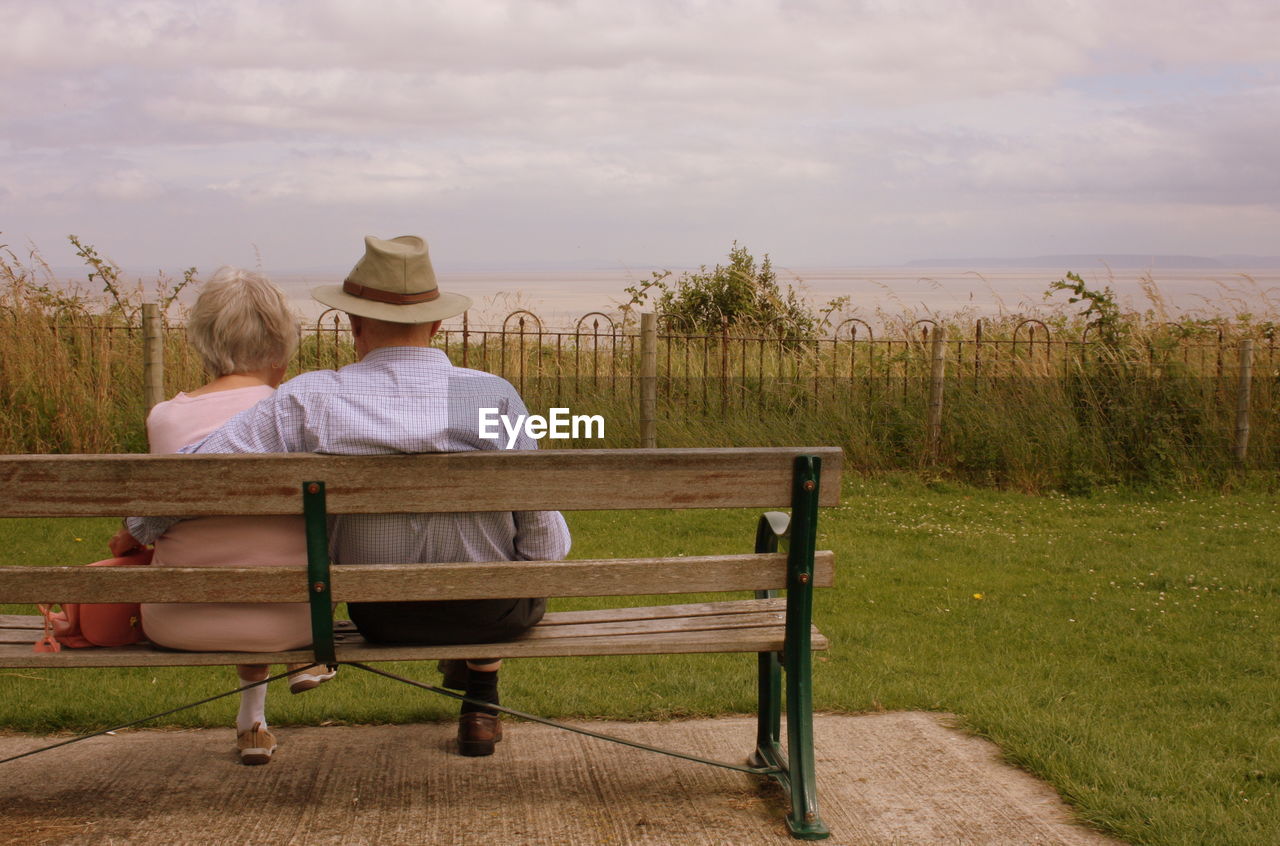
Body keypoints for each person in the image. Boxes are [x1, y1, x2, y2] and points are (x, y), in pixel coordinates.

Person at [125, 235, 571, 757]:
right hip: (494, 615)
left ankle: (473, 681)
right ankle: (480, 703)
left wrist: (141, 526)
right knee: (497, 565)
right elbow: (544, 539)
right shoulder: (492, 395)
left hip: (383, 616)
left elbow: (196, 477)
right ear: (436, 325)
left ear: (355, 325)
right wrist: (531, 566)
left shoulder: (309, 399)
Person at [110, 267, 335, 766]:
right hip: (299, 622)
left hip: (177, 619)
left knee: (230, 549)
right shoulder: (298, 413)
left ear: (204, 341)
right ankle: (255, 715)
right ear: (282, 342)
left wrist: (129, 533)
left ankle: (252, 722)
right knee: (270, 555)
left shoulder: (165, 418)